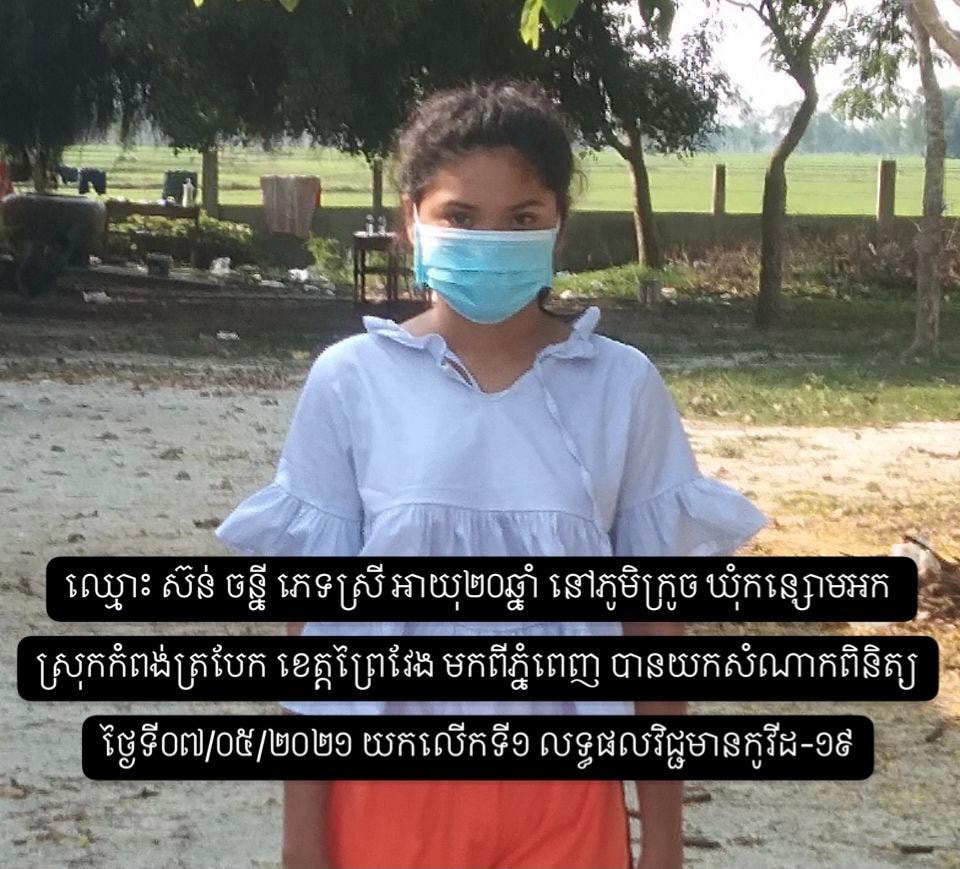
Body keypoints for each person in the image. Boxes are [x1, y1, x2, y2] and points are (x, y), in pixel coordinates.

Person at [215, 78, 769, 869]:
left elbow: (654, 635)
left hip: (567, 805)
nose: (490, 238)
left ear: (559, 226)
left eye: (522, 218)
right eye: (461, 216)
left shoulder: (621, 386)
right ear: (411, 221)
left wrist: (665, 841)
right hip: (387, 801)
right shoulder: (351, 381)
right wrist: (302, 841)